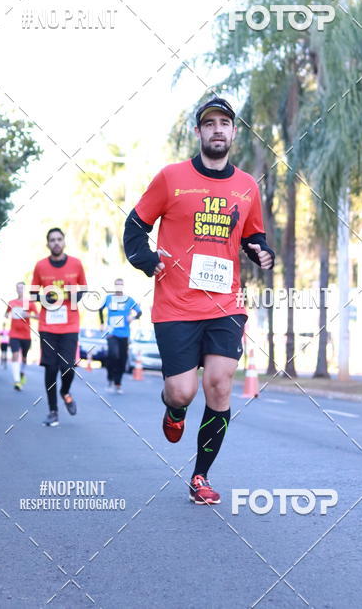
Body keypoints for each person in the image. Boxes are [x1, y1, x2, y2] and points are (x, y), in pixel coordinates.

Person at [124, 97, 275, 505]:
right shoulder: (171, 178)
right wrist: (146, 259)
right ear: (199, 132)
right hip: (175, 305)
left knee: (220, 386)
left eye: (225, 123)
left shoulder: (246, 186)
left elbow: (253, 236)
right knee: (183, 392)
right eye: (210, 124)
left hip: (226, 304)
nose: (218, 130)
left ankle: (200, 477)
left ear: (234, 132)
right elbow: (135, 228)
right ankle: (173, 410)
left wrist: (263, 252)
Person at [30, 228, 87, 426]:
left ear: (64, 242)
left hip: (70, 324)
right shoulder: (40, 266)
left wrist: (73, 298)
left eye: (59, 239)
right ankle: (53, 411)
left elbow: (83, 288)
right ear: (47, 244)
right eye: (52, 240)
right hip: (47, 325)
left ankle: (65, 391)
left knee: (68, 366)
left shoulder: (76, 264)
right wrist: (46, 297)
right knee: (51, 368)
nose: (56, 242)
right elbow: (33, 293)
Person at [99, 278, 142, 393]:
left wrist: (132, 317)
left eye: (120, 285)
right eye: (117, 285)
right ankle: (110, 378)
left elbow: (139, 312)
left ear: (123, 286)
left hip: (124, 334)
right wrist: (102, 323)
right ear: (114, 286)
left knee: (122, 358)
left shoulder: (128, 300)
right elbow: (100, 309)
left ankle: (118, 383)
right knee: (113, 355)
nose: (118, 287)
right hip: (112, 332)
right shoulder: (109, 298)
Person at [5, 282, 39, 391]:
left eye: (21, 288)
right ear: (16, 289)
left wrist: (29, 315)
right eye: (18, 288)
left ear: (24, 289)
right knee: (15, 355)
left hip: (26, 335)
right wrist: (7, 315)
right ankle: (17, 381)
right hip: (14, 334)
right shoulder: (12, 302)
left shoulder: (29, 303)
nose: (19, 290)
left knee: (24, 358)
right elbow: (6, 313)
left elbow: (39, 316)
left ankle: (22, 373)